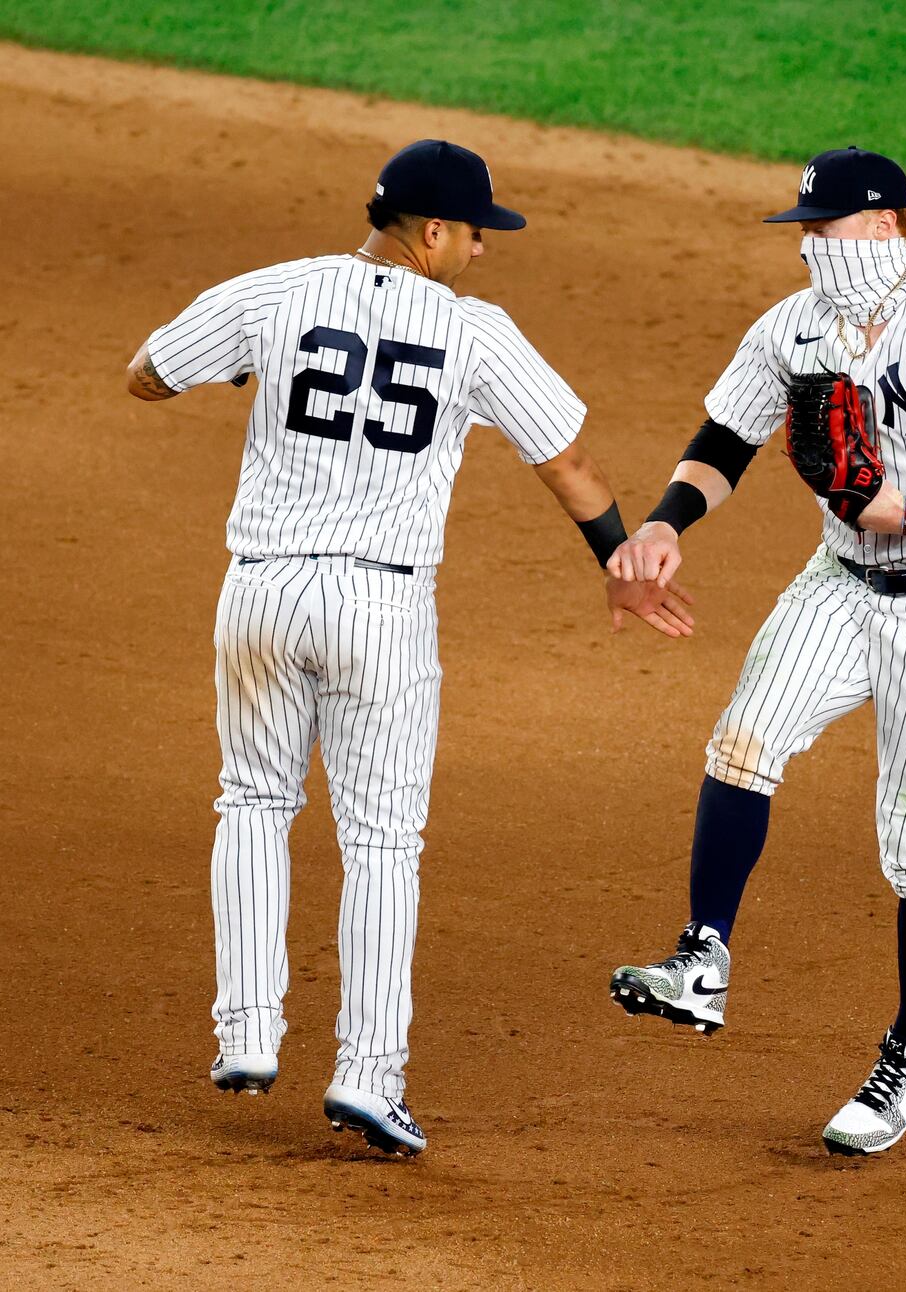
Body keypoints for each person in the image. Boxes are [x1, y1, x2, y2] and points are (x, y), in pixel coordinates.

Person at [126, 139, 692, 1157]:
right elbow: (565, 461)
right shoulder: (476, 333)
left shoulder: (280, 290)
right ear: (433, 231)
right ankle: (368, 1077)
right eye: (476, 233)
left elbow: (147, 374)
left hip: (259, 590)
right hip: (379, 610)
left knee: (253, 798)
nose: (481, 252)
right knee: (382, 840)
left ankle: (247, 1034)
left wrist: (258, 365)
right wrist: (617, 559)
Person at [607, 146, 906, 1156]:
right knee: (743, 739)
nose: (811, 244)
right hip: (838, 581)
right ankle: (703, 957)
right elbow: (725, 438)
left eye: (827, 226)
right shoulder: (793, 328)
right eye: (802, 229)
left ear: (890, 222)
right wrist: (672, 520)